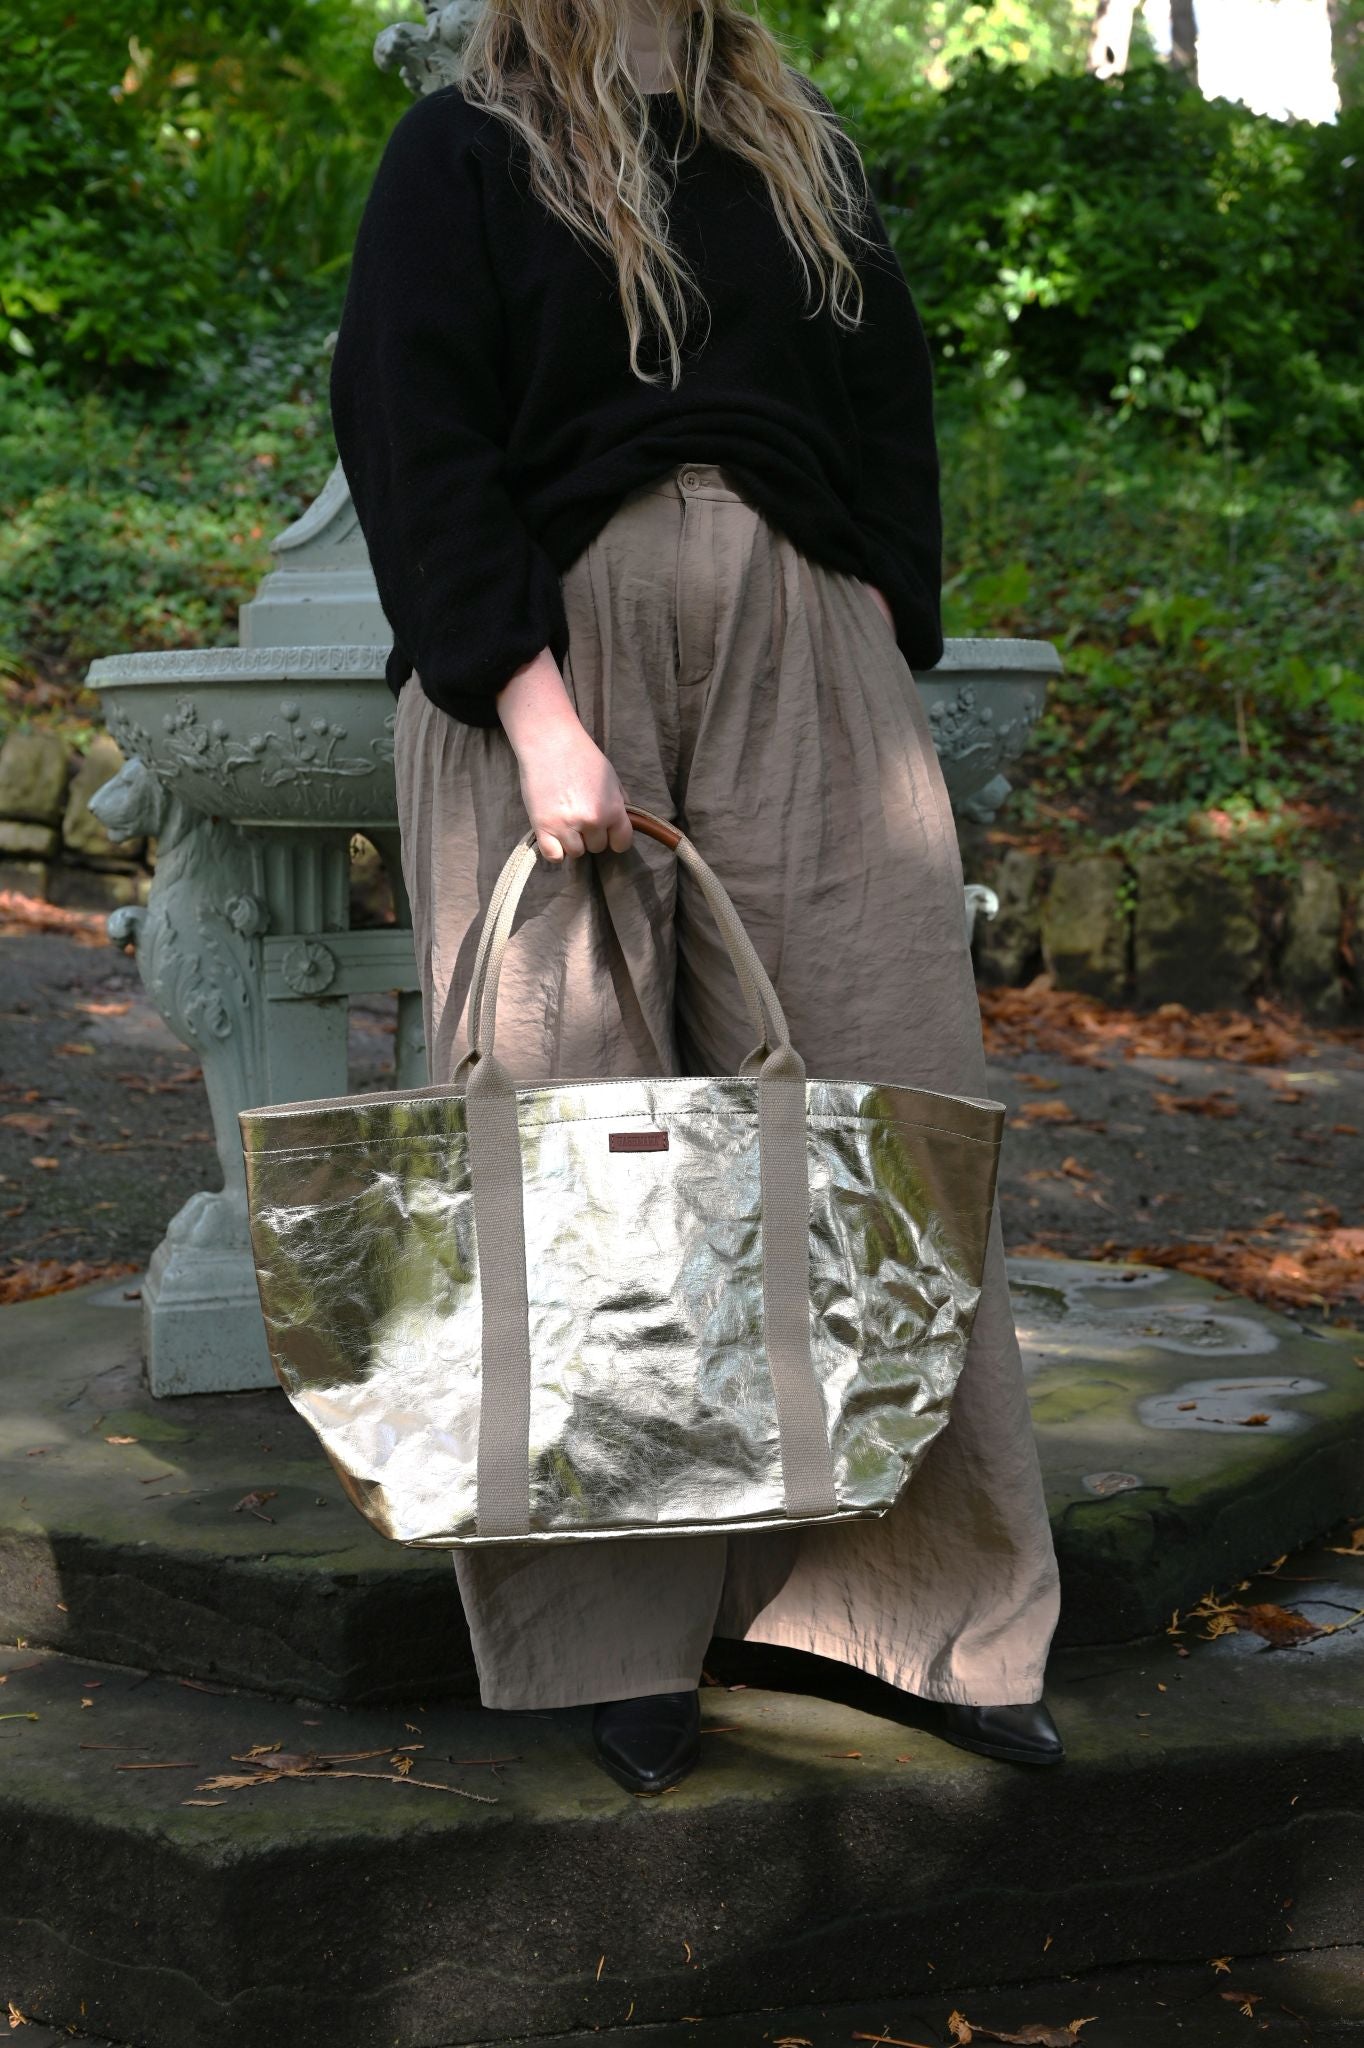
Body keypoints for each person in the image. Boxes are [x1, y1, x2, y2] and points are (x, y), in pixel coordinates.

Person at [329, 0, 1062, 1796]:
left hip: (799, 650)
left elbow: (889, 409)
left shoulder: (798, 154)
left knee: (887, 1116)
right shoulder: (467, 150)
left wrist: (883, 625)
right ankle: (619, 1638)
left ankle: (927, 1618)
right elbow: (411, 430)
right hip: (549, 653)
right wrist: (533, 705)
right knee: (585, 1155)